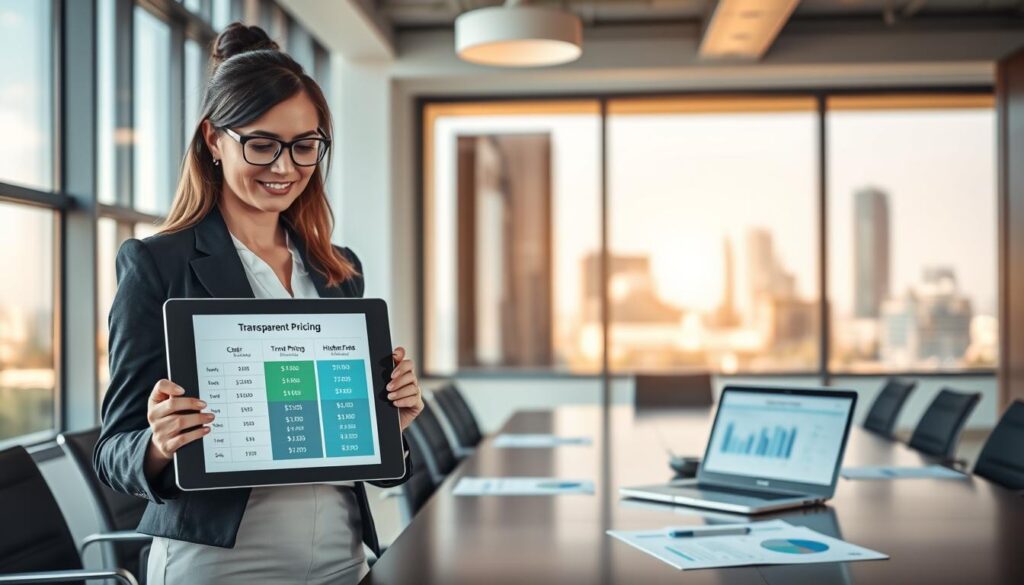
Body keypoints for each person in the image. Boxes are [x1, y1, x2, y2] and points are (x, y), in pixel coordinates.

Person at [93, 23, 423, 585]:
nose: (286, 167)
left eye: (305, 146)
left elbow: (372, 460)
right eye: (262, 144)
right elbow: (113, 451)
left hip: (343, 562)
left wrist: (392, 423)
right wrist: (158, 442)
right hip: (220, 567)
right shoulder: (159, 264)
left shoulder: (338, 268)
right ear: (212, 140)